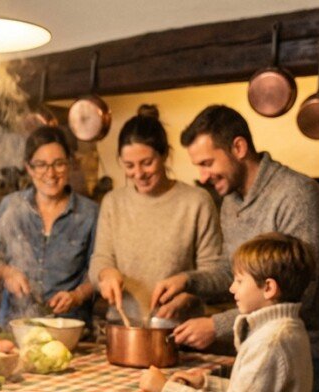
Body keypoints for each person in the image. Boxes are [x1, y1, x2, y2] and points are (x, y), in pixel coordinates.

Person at [150, 105, 319, 392]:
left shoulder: (297, 195)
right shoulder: (231, 202)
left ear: (238, 148)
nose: (203, 176)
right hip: (263, 339)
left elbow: (302, 290)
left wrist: (217, 325)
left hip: (309, 349)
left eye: (207, 163)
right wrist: (187, 283)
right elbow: (232, 270)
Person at [140, 233, 314, 392]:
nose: (232, 288)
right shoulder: (286, 329)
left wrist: (164, 390)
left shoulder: (271, 341)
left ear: (269, 288)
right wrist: (206, 384)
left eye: (240, 281)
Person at [88, 105, 221, 325]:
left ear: (165, 154)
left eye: (147, 163)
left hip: (177, 329)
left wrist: (188, 296)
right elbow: (100, 258)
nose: (138, 174)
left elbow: (213, 272)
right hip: (123, 325)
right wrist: (105, 274)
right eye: (129, 165)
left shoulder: (196, 201)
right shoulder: (113, 202)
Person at [0, 125, 98, 327]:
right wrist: (7, 273)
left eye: (59, 164)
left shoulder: (89, 213)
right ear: (28, 168)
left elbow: (99, 271)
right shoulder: (11, 207)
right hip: (16, 326)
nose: (51, 173)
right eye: (40, 165)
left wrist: (77, 295)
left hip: (70, 328)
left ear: (70, 164)